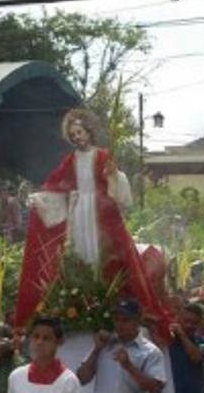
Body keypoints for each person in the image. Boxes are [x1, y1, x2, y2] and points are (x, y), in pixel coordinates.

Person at [14, 108, 168, 331]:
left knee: (107, 257)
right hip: (79, 215)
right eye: (73, 135)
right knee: (80, 256)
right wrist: (39, 198)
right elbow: (55, 185)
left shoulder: (103, 156)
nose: (77, 137)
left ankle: (107, 304)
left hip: (102, 215)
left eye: (80, 132)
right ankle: (84, 301)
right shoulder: (71, 160)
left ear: (88, 132)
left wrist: (114, 175)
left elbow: (119, 191)